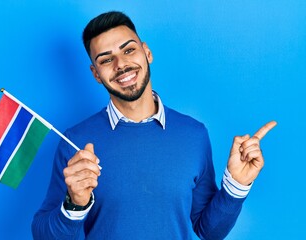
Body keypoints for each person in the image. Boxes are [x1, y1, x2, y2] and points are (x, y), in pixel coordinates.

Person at [32, 11, 276, 240]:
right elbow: (43, 233)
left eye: (128, 50)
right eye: (106, 60)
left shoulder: (194, 134)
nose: (121, 64)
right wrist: (74, 203)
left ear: (146, 53)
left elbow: (208, 231)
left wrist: (236, 186)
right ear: (96, 74)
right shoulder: (75, 142)